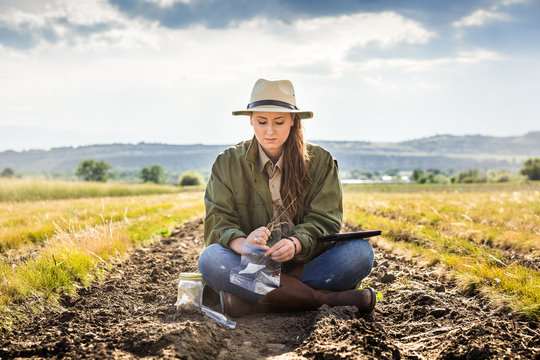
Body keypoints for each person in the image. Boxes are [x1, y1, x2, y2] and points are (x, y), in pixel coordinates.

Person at [198, 78, 376, 317]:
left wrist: (296, 243)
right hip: (251, 263)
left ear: (293, 120)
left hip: (306, 264)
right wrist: (244, 244)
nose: (269, 131)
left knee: (360, 253)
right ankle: (322, 298)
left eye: (279, 122)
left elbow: (325, 219)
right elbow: (218, 219)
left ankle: (254, 300)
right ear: (251, 119)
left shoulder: (321, 161)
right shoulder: (227, 162)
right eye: (261, 122)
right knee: (210, 259)